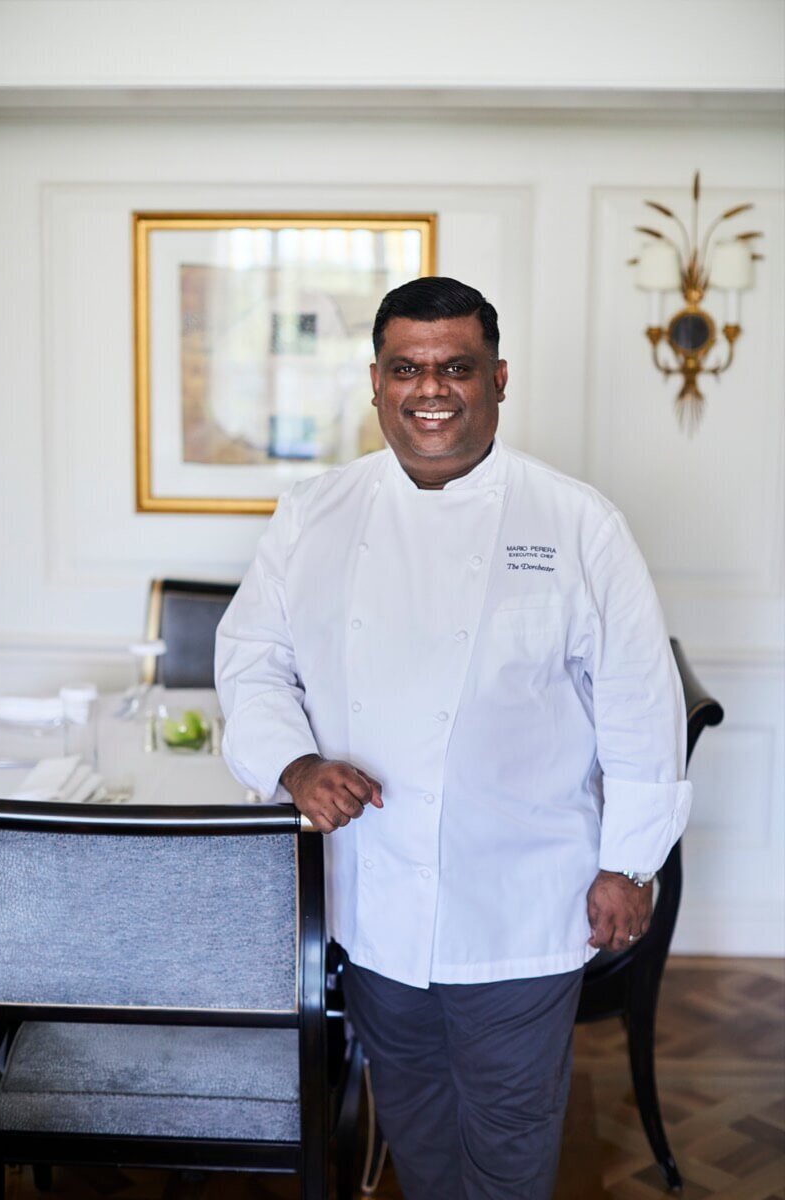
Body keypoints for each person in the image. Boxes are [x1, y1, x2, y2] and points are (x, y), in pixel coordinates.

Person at [215, 277, 691, 1200]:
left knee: (508, 1135)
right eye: (407, 368)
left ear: (499, 378)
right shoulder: (314, 513)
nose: (431, 390)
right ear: (376, 381)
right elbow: (251, 661)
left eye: (456, 368)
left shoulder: (577, 522)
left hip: (520, 896)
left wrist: (630, 865)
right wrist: (295, 762)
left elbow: (641, 706)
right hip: (376, 890)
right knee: (418, 1116)